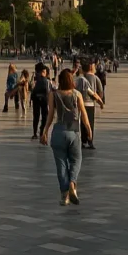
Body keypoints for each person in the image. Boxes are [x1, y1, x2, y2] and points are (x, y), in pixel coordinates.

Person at [40, 69, 92, 206]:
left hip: (58, 131)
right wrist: (88, 129)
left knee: (61, 164)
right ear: (71, 80)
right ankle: (72, 184)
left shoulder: (53, 94)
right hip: (73, 131)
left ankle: (64, 195)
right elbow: (84, 114)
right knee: (76, 159)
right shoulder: (77, 94)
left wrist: (45, 131)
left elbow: (50, 114)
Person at [74, 62, 104, 150]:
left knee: (82, 123)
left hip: (81, 103)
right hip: (90, 103)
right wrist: (99, 100)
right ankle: (90, 140)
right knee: (90, 123)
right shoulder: (95, 78)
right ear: (90, 68)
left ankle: (83, 141)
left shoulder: (80, 79)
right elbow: (100, 90)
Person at [30, 64, 53, 140]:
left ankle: (40, 131)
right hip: (39, 100)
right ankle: (36, 133)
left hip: (43, 100)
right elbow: (31, 88)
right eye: (41, 72)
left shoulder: (47, 81)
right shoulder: (36, 81)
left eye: (44, 72)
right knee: (37, 116)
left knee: (43, 117)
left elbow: (50, 91)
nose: (42, 74)